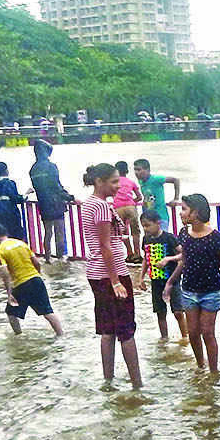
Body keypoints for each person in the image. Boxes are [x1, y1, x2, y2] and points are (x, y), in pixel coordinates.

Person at [78, 163, 143, 389]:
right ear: (99, 182)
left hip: (96, 273)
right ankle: (137, 385)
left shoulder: (89, 204)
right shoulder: (102, 207)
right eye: (114, 181)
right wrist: (116, 281)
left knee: (107, 329)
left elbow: (102, 241)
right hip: (110, 274)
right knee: (126, 330)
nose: (118, 186)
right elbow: (105, 246)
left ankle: (108, 380)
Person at [162, 193, 220, 373]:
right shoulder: (184, 234)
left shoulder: (216, 237)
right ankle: (200, 366)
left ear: (195, 213)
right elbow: (184, 261)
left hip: (211, 292)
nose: (181, 213)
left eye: (184, 209)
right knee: (193, 333)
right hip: (188, 290)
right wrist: (170, 282)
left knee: (208, 333)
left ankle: (213, 372)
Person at [0, 223, 65, 337]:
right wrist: (37, 275)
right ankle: (61, 335)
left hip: (21, 284)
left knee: (11, 313)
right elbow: (36, 262)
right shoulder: (21, 243)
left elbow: (5, 273)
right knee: (47, 311)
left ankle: (18, 336)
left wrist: (9, 293)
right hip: (36, 280)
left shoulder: (0, 251)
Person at [137, 208, 186, 341]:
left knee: (178, 312)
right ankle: (164, 339)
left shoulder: (169, 238)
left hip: (172, 279)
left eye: (148, 225)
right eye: (143, 226)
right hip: (155, 280)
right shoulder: (146, 239)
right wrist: (141, 278)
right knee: (160, 312)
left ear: (158, 223)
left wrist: (168, 259)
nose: (145, 229)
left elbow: (184, 254)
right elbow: (146, 259)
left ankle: (185, 337)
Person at [28, 140, 73, 260]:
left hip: (43, 204)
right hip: (56, 204)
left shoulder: (33, 169)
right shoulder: (51, 166)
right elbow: (56, 186)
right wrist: (70, 197)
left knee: (48, 233)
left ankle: (47, 257)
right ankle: (61, 257)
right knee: (60, 232)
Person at [112, 161, 143, 261]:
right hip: (130, 207)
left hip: (117, 208)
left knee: (123, 232)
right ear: (127, 171)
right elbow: (139, 197)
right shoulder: (131, 182)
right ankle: (137, 254)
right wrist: (131, 201)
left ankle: (129, 253)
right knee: (135, 232)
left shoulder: (113, 182)